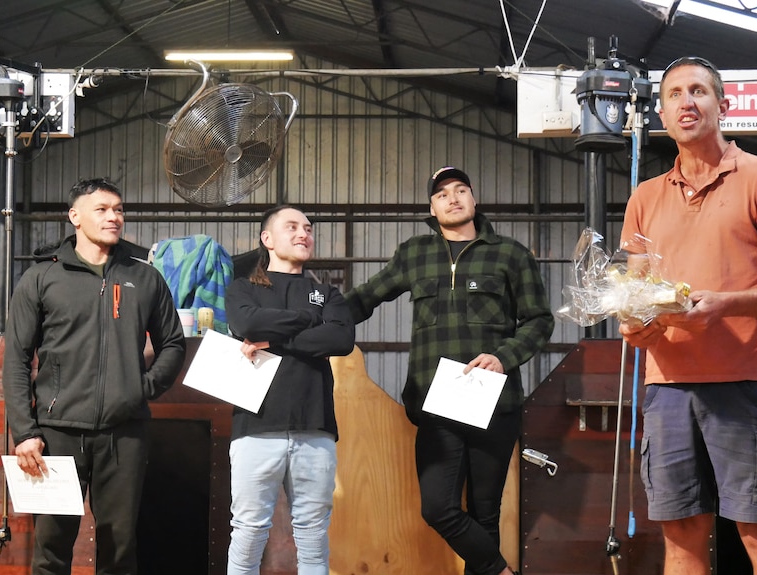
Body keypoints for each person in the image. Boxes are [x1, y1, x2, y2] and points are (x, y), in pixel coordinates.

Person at [619, 57, 757, 575]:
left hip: (747, 382)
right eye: (675, 94)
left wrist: (726, 304)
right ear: (661, 112)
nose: (687, 102)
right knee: (681, 537)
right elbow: (638, 293)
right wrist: (634, 324)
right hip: (668, 388)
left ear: (722, 105)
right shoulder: (645, 197)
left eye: (699, 91)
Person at [345, 167, 554, 575]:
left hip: (494, 400)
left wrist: (503, 357)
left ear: (474, 200)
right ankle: (501, 571)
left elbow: (539, 321)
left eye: (461, 190)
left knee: (485, 513)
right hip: (435, 402)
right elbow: (363, 298)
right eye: (442, 194)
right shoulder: (415, 253)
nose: (453, 198)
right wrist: (309, 318)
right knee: (438, 507)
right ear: (432, 207)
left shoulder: (510, 254)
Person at [2, 177, 187, 575]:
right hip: (56, 434)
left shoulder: (145, 278)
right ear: (75, 216)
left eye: (118, 210)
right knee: (50, 550)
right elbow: (17, 358)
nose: (113, 217)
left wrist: (143, 388)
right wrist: (24, 431)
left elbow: (173, 343)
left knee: (120, 549)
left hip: (125, 433)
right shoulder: (41, 278)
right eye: (102, 209)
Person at [224, 205, 355, 575]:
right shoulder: (243, 288)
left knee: (313, 538)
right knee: (248, 533)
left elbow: (341, 337)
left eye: (308, 228)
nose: (303, 234)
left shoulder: (327, 292)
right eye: (292, 227)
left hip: (315, 430)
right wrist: (307, 320)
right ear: (267, 239)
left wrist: (271, 338)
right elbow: (245, 320)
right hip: (255, 428)